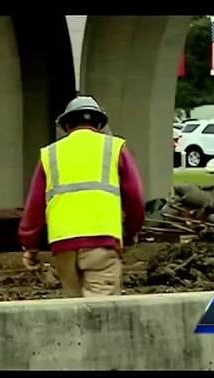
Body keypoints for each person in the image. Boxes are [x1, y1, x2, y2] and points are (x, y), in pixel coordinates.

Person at [18, 96, 145, 297]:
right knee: (100, 316)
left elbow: (34, 206)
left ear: (67, 125)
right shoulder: (114, 148)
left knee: (75, 314)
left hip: (63, 247)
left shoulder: (50, 154)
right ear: (99, 124)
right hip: (101, 244)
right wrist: (131, 231)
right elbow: (135, 198)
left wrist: (31, 247)